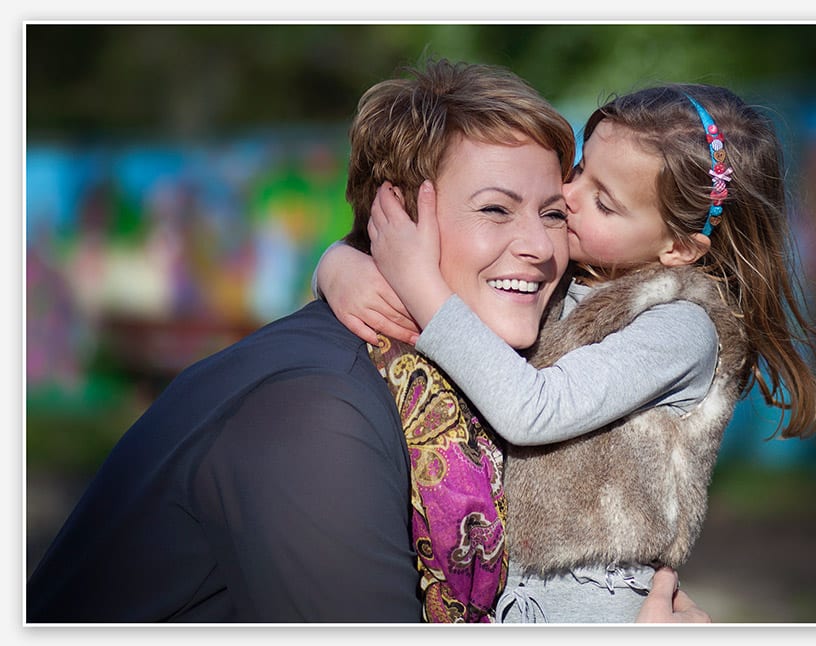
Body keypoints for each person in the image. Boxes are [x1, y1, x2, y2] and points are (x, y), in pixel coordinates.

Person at [26, 57, 703, 624]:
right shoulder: (316, 413)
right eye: (495, 209)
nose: (537, 247)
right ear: (396, 220)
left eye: (553, 213)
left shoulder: (470, 370)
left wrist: (341, 261)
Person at [316, 83, 816, 622]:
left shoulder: (681, 327)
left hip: (590, 595)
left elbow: (533, 409)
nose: (568, 196)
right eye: (581, 170)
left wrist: (414, 281)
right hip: (510, 585)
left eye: (604, 203)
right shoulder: (568, 278)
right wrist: (338, 266)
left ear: (678, 246)